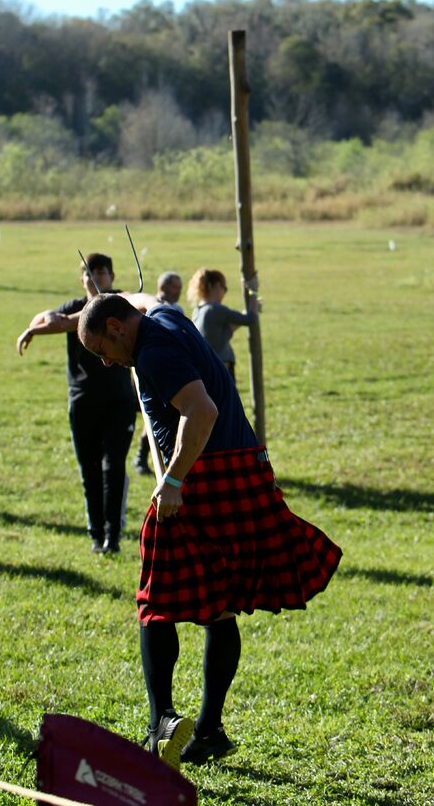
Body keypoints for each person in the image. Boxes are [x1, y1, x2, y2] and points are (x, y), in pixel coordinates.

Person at [77, 293, 342, 769]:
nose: (106, 362)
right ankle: (210, 730)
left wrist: (174, 479)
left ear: (117, 327)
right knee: (219, 606)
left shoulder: (154, 353)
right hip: (245, 465)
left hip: (204, 475)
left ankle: (161, 723)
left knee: (155, 602)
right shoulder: (164, 316)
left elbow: (200, 412)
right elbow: (146, 299)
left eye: (103, 349)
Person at [16, 253, 136, 554]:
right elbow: (51, 319)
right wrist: (34, 326)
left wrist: (49, 325)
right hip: (82, 400)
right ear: (81, 278)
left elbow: (68, 323)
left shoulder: (121, 304)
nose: (96, 278)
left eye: (102, 272)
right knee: (90, 469)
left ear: (113, 276)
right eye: (90, 273)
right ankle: (96, 535)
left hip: (119, 400)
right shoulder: (73, 307)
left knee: (113, 467)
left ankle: (113, 534)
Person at [132, 271, 184, 477]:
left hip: (175, 369)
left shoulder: (176, 309)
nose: (179, 291)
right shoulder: (150, 310)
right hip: (153, 371)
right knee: (154, 416)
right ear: (164, 287)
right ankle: (142, 456)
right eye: (175, 287)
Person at [187, 268, 257, 381]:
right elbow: (251, 319)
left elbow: (222, 333)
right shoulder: (215, 309)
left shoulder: (198, 310)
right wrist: (253, 291)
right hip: (221, 367)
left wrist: (253, 307)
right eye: (224, 288)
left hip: (206, 368)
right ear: (216, 286)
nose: (224, 293)